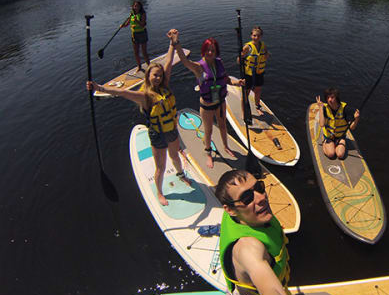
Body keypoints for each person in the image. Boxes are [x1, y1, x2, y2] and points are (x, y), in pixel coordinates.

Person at [215, 170, 314, 295]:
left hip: (265, 282)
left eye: (259, 187)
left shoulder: (244, 214)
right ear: (230, 209)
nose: (260, 197)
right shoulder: (248, 248)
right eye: (247, 197)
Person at [87, 29, 191, 206]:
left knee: (175, 156)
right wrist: (99, 87)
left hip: (171, 130)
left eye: (159, 75)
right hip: (157, 135)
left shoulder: (165, 85)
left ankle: (181, 175)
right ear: (149, 77)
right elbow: (122, 92)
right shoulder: (144, 96)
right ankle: (160, 192)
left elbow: (167, 61)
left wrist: (173, 42)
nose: (158, 78)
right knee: (161, 167)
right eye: (154, 75)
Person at [170, 30, 244, 169]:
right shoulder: (198, 67)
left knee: (223, 126)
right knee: (208, 130)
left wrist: (237, 83)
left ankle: (226, 146)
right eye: (208, 50)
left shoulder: (219, 62)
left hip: (220, 102)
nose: (210, 53)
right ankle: (208, 153)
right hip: (207, 105)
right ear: (204, 50)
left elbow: (226, 79)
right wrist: (176, 43)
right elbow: (185, 61)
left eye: (213, 50)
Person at [316, 87, 360, 160]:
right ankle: (325, 142)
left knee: (340, 155)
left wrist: (356, 119)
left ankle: (339, 143)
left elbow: (352, 127)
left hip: (340, 136)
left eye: (332, 97)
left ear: (337, 98)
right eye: (328, 97)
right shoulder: (325, 108)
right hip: (329, 136)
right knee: (331, 154)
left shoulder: (345, 109)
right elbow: (321, 124)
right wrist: (320, 108)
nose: (330, 100)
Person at [238, 26, 270, 116]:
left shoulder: (263, 45)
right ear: (251, 36)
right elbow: (238, 60)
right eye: (254, 35)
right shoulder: (247, 47)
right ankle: (245, 113)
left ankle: (257, 107)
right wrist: (241, 58)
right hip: (248, 74)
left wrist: (266, 55)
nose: (256, 38)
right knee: (246, 94)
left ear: (261, 36)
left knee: (258, 90)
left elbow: (267, 54)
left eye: (258, 36)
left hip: (259, 72)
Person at [121, 0, 150, 72]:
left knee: (144, 52)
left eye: (138, 6)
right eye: (135, 6)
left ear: (140, 7)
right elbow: (127, 23)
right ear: (133, 7)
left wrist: (137, 21)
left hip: (142, 33)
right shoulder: (131, 14)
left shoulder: (143, 14)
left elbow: (143, 24)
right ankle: (139, 67)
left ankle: (149, 66)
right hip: (134, 34)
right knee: (136, 52)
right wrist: (123, 25)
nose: (136, 7)